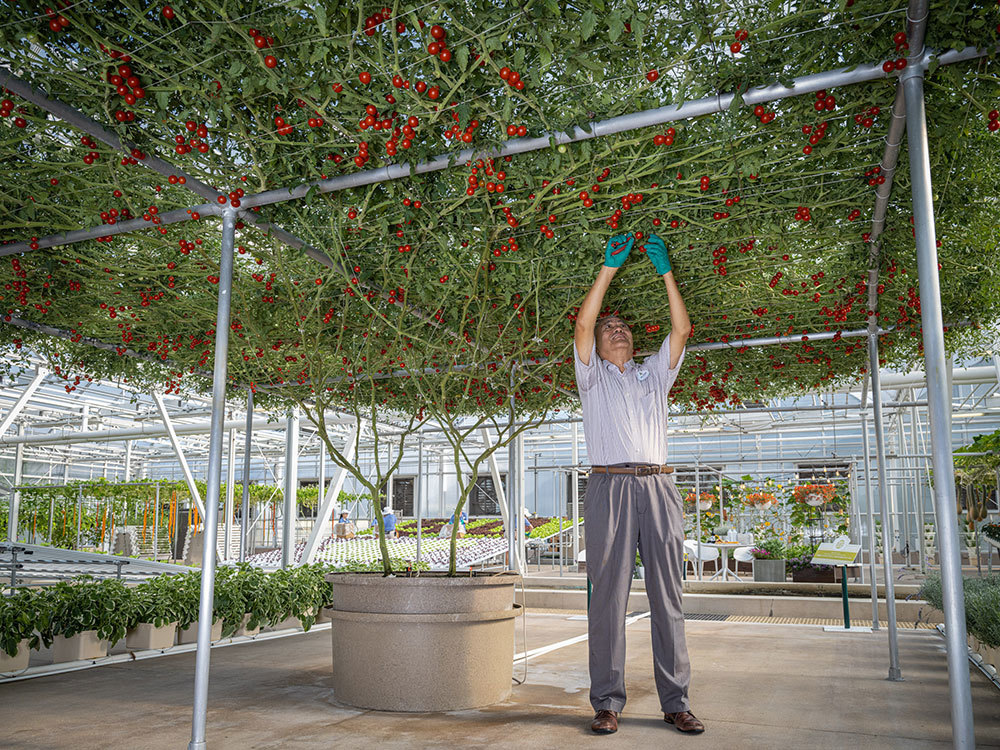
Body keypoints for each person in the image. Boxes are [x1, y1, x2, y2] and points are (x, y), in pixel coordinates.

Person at [574, 232, 702, 736]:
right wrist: (607, 271)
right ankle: (606, 702)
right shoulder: (592, 378)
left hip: (659, 488)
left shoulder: (654, 375)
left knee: (668, 594)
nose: (617, 330)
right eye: (610, 329)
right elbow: (583, 321)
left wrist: (665, 272)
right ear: (598, 345)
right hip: (610, 488)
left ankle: (676, 701)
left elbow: (683, 327)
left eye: (623, 326)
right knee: (606, 597)